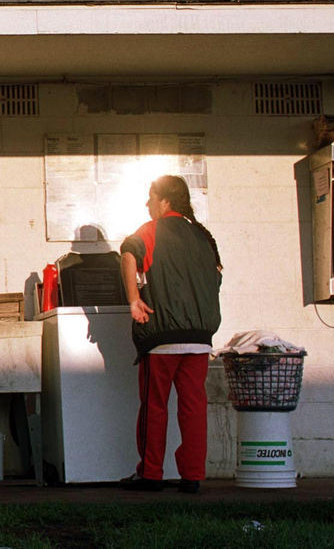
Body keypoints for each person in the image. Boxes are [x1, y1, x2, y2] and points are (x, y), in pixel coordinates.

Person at [119, 175, 222, 494]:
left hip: (162, 337)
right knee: (193, 407)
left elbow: (127, 254)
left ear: (165, 201)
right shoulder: (204, 236)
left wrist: (134, 299)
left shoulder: (151, 230)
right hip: (199, 337)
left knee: (155, 404)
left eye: (151, 197)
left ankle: (151, 474)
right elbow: (217, 277)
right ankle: (192, 476)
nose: (147, 203)